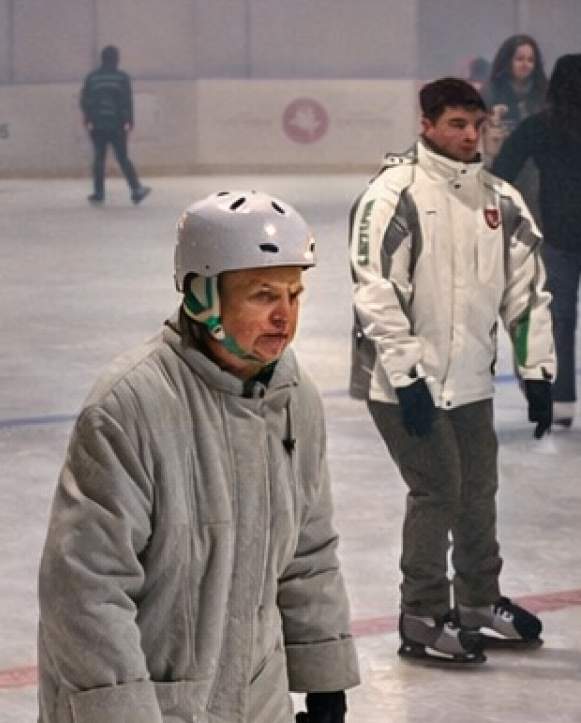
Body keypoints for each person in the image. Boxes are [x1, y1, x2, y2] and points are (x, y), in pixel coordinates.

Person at [36, 191, 359, 722]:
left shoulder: (295, 400)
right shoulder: (131, 406)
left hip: (259, 703)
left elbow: (309, 552)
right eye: (262, 295)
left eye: (294, 294)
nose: (284, 315)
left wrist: (325, 684)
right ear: (203, 297)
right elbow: (86, 590)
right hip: (155, 707)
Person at [348, 77, 556, 664]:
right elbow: (375, 291)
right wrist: (407, 376)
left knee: (478, 490)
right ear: (426, 124)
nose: (470, 137)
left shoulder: (501, 200)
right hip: (400, 382)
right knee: (438, 488)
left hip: (468, 380)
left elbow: (526, 292)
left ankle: (478, 602)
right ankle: (421, 614)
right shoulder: (393, 195)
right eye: (456, 125)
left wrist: (537, 370)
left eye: (476, 125)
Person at [494, 54, 581, 436]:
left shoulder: (541, 125)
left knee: (560, 318)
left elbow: (503, 169)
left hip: (561, 229)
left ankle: (562, 402)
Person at [79, 45, 150, 207]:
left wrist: (88, 119)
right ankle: (136, 189)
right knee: (122, 157)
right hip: (116, 123)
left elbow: (85, 100)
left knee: (99, 158)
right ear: (116, 59)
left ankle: (98, 194)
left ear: (102, 59)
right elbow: (126, 101)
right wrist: (130, 121)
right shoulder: (121, 78)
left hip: (97, 123)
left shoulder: (92, 78)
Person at [482, 34, 544, 160]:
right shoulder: (491, 91)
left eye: (530, 60)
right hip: (499, 158)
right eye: (520, 59)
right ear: (508, 61)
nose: (525, 65)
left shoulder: (543, 92)